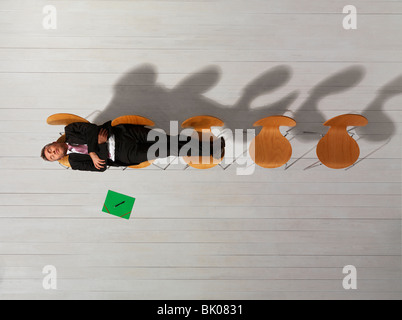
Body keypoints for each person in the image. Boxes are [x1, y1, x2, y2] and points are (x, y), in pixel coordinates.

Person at [41, 121, 225, 172]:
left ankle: (211, 147)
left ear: (53, 142)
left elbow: (91, 128)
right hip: (126, 154)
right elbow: (101, 167)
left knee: (170, 139)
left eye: (49, 149)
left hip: (124, 133)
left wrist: (92, 151)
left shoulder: (71, 130)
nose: (52, 152)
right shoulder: (74, 162)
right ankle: (212, 151)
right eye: (51, 156)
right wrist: (99, 146)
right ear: (58, 159)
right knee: (169, 148)